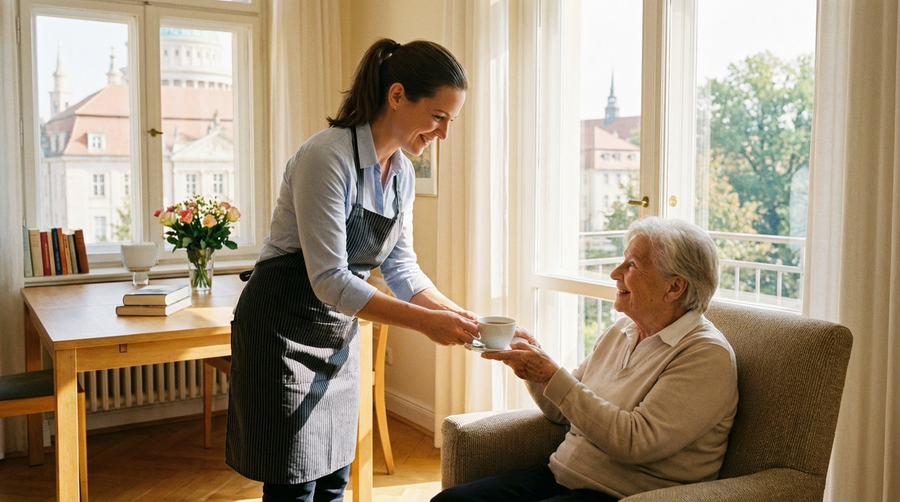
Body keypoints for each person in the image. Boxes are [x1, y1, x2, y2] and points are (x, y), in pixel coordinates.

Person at [226, 38, 480, 502]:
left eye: (450, 121)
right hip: (281, 329)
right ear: (397, 95)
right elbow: (329, 279)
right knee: (296, 484)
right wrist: (427, 323)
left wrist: (464, 320)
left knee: (335, 481)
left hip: (338, 333)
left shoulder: (401, 172)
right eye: (439, 117)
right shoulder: (327, 157)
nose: (444, 133)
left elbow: (401, 268)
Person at [433, 217, 739, 502]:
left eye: (631, 265)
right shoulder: (623, 330)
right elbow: (560, 411)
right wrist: (531, 363)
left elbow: (635, 441)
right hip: (561, 476)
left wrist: (551, 375)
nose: (615, 273)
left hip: (621, 494)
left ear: (674, 287)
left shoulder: (706, 355)